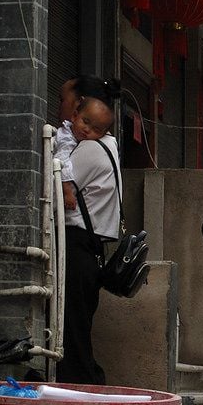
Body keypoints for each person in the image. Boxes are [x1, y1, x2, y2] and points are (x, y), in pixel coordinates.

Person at [59, 89, 119, 385]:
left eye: (94, 127)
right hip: (93, 247)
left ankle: (82, 383)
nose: (85, 130)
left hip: (77, 243)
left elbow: (56, 181)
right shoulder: (109, 146)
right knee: (79, 321)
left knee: (72, 325)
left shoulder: (88, 150)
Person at [55, 94, 115, 211]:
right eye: (85, 121)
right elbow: (62, 163)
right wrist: (67, 192)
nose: (87, 130)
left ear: (103, 136)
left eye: (96, 130)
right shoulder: (66, 139)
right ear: (74, 116)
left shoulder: (84, 143)